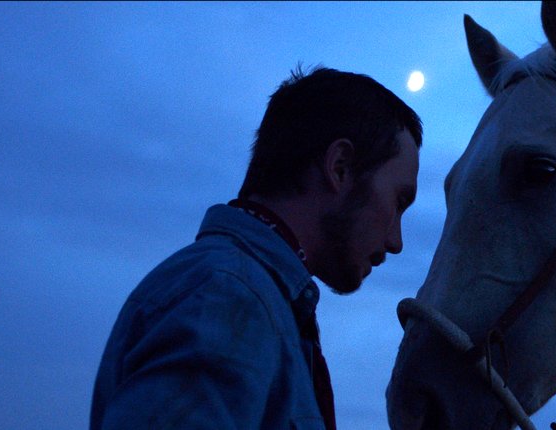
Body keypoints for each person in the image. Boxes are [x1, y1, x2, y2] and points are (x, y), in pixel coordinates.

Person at [90, 66, 422, 429]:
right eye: (399, 202)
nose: (396, 242)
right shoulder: (228, 297)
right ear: (340, 167)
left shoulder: (243, 297)